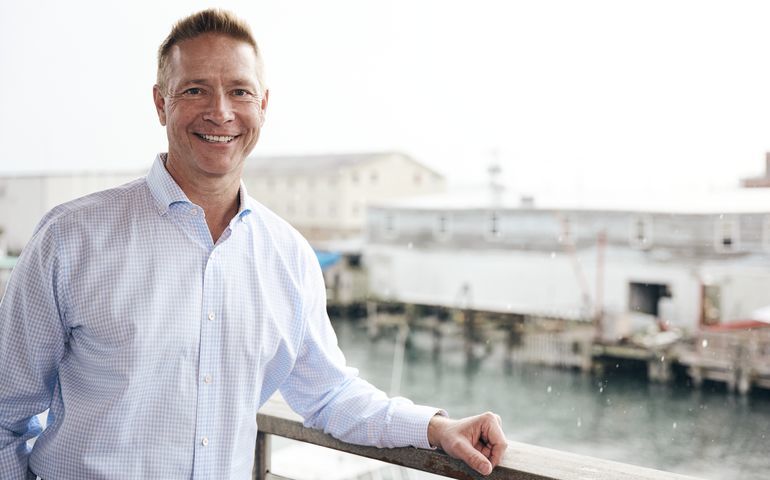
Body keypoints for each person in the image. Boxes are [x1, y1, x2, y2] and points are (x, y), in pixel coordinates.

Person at [0, 9, 507, 480]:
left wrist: (436, 427)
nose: (220, 112)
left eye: (240, 92)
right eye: (195, 90)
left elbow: (330, 393)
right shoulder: (71, 239)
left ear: (263, 105)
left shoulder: (288, 256)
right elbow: (5, 414)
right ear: (160, 103)